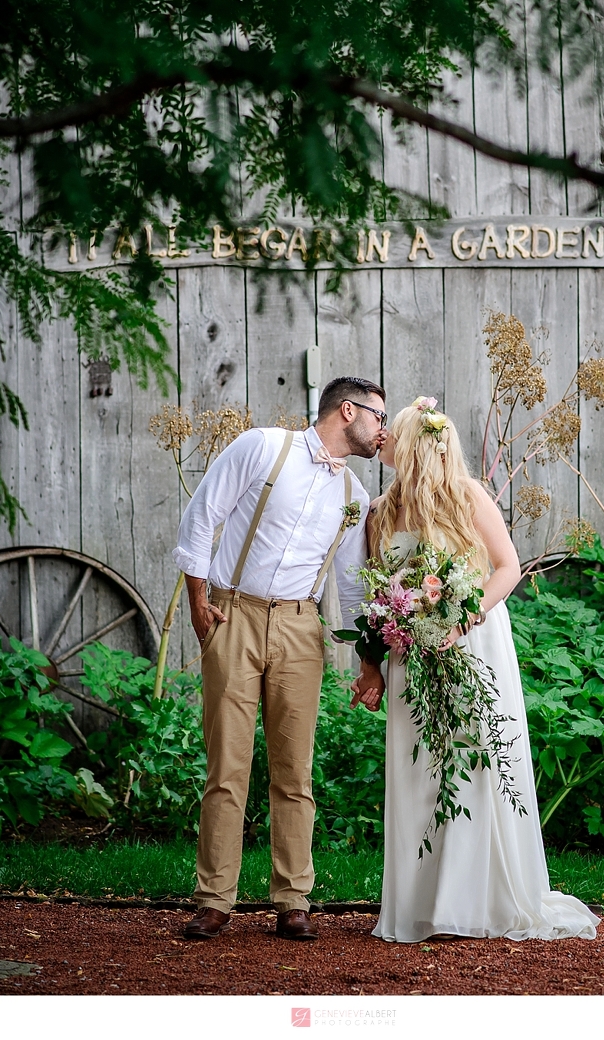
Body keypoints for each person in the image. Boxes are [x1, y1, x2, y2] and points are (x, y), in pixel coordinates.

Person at [350, 401, 600, 943]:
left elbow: (508, 567)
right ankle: (422, 904)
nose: (385, 433)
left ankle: (479, 900)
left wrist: (461, 615)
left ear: (419, 444)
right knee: (422, 772)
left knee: (478, 762)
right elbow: (373, 595)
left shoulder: (468, 497)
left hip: (475, 644)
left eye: (397, 429)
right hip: (410, 652)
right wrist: (370, 663)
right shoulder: (379, 513)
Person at [174, 376, 386, 941]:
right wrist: (199, 599)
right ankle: (215, 898)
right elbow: (202, 513)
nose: (383, 431)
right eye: (379, 418)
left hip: (300, 627)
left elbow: (352, 583)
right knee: (228, 765)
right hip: (232, 614)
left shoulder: (355, 497)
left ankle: (294, 898)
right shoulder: (264, 447)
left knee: (295, 770)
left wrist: (368, 659)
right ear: (348, 411)